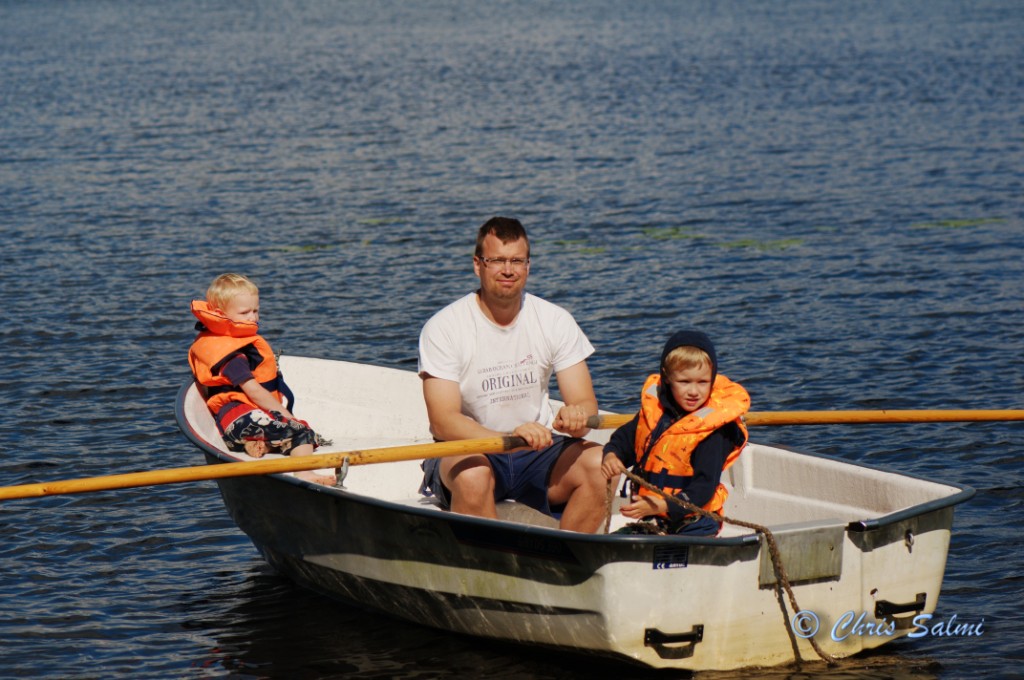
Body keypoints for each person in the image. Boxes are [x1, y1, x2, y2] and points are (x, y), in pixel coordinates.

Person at [417, 217, 607, 532]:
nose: (509, 270)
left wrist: (577, 417)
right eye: (498, 261)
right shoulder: (444, 327)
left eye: (517, 261)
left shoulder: (554, 320)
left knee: (603, 464)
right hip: (468, 449)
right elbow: (443, 420)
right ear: (478, 265)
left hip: (538, 450)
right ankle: (493, 565)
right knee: (473, 476)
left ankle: (564, 563)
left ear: (528, 266)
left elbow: (585, 403)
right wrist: (509, 439)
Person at [187, 273, 335, 486]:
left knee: (279, 429)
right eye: (245, 312)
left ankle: (258, 445)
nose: (253, 317)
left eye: (256, 310)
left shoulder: (215, 341)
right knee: (301, 432)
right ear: (221, 314)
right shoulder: (233, 355)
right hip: (240, 419)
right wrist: (287, 415)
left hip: (233, 424)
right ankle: (305, 474)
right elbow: (254, 391)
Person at [600, 330, 749, 535]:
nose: (694, 391)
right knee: (617, 542)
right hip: (654, 517)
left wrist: (663, 505)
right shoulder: (656, 412)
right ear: (667, 378)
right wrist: (611, 455)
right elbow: (624, 439)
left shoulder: (714, 430)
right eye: (684, 382)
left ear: (712, 379)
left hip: (696, 518)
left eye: (702, 382)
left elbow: (704, 487)